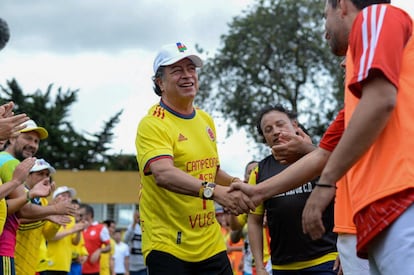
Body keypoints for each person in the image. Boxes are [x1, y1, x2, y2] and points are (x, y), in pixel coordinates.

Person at [301, 0, 414, 273]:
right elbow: (323, 152)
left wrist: (325, 185)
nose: (324, 29)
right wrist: (257, 192)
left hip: (402, 200)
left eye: (324, 15)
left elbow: (380, 100)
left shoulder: (376, 15)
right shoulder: (355, 96)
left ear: (340, 5)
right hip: (379, 214)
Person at [135, 41, 254, 274]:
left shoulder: (205, 120)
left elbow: (212, 171)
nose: (187, 75)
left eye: (191, 69)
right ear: (160, 83)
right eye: (177, 70)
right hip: (167, 243)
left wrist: (234, 184)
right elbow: (163, 174)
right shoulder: (152, 124)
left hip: (209, 242)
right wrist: (215, 192)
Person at [248, 105, 337, 274]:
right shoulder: (259, 172)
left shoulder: (319, 158)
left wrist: (344, 247)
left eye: (280, 124)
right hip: (283, 266)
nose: (275, 131)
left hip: (327, 260)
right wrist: (259, 266)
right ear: (264, 138)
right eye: (268, 129)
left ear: (295, 125)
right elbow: (254, 221)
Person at [0, 119, 77, 274]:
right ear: (12, 137)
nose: (33, 145)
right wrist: (54, 209)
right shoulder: (9, 163)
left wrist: (48, 211)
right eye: (28, 138)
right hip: (6, 248)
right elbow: (24, 212)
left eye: (36, 141)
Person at [14, 159, 66, 275]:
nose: (45, 178)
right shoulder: (17, 194)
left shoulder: (42, 200)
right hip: (16, 260)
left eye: (47, 175)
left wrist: (56, 221)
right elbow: (18, 222)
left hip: (36, 263)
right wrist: (48, 213)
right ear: (28, 175)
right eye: (40, 174)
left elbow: (48, 234)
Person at [44, 186, 87, 275]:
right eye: (63, 195)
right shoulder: (50, 214)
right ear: (56, 198)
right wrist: (72, 230)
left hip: (65, 264)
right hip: (50, 263)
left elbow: (75, 242)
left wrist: (79, 229)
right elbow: (50, 237)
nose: (67, 198)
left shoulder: (71, 218)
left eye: (69, 196)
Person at [79, 203, 111, 275]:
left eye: (81, 215)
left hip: (92, 271)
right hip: (76, 268)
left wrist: (99, 250)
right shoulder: (77, 227)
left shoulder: (101, 228)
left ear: (89, 215)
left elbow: (109, 247)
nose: (79, 217)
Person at [69, 198, 89, 275]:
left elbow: (81, 245)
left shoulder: (79, 227)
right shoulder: (63, 225)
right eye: (74, 209)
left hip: (75, 265)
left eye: (78, 209)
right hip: (66, 263)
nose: (77, 212)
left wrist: (85, 255)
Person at [124, 209, 146, 275]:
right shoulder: (131, 227)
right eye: (137, 216)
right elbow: (126, 239)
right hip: (132, 266)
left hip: (143, 265)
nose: (139, 218)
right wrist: (134, 223)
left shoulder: (145, 227)